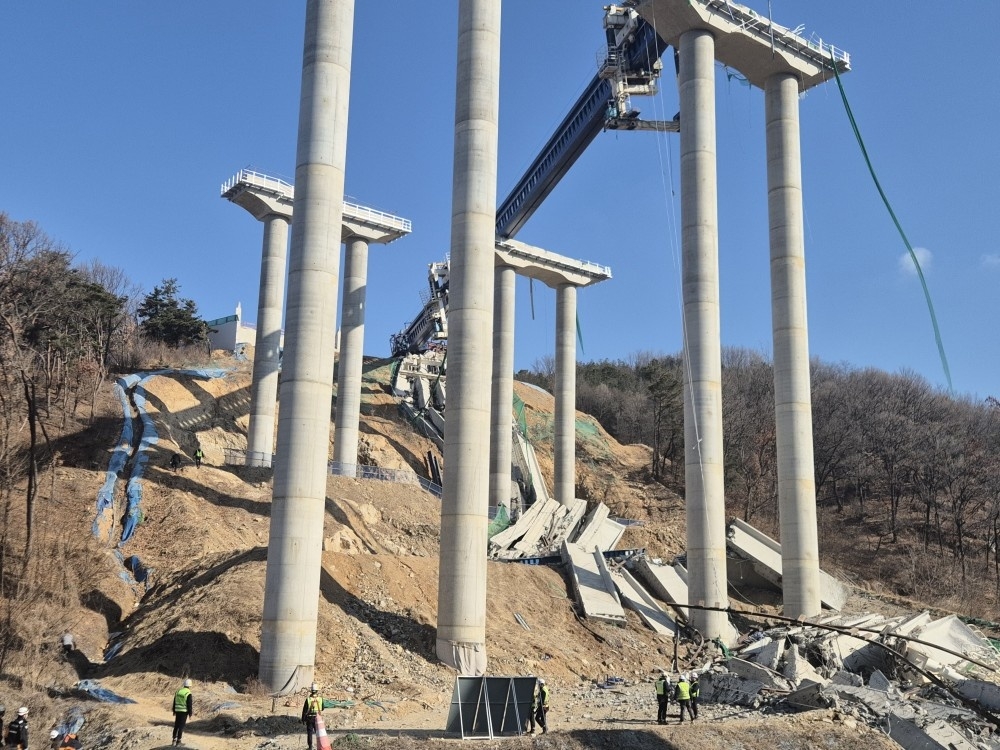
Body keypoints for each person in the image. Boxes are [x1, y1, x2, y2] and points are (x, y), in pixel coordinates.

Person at [300, 683, 323, 750]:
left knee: (310, 732)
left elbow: (304, 710)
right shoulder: (320, 699)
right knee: (318, 733)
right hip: (318, 718)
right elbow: (323, 708)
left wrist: (303, 719)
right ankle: (320, 746)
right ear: (317, 691)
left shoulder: (308, 699)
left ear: (311, 690)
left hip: (310, 718)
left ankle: (310, 747)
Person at [171, 678, 193, 746]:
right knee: (181, 726)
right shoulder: (188, 693)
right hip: (184, 711)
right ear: (190, 686)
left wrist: (174, 710)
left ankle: (174, 740)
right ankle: (179, 741)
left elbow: (174, 702)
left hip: (177, 710)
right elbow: (189, 704)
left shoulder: (178, 691)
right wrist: (190, 714)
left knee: (176, 725)